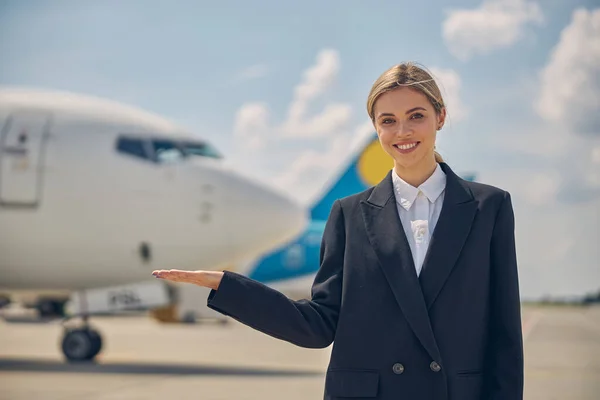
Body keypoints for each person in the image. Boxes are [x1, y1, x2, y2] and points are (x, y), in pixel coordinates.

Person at [152, 62, 524, 400]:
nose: (403, 131)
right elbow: (318, 325)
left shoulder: (488, 208)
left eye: (416, 116)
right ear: (375, 127)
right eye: (388, 120)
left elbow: (504, 334)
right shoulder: (349, 215)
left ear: (440, 117)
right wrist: (228, 287)